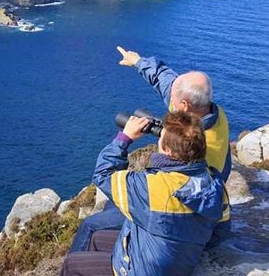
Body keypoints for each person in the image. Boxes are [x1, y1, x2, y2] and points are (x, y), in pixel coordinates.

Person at [69, 47, 231, 252]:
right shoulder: (208, 112)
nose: (169, 100)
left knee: (90, 225)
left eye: (173, 100)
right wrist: (137, 61)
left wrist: (125, 138)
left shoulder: (201, 147)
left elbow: (104, 176)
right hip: (194, 192)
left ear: (184, 105)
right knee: (113, 203)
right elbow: (165, 79)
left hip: (178, 208)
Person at [60, 112, 227, 276]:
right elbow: (220, 232)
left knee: (71, 264)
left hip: (143, 270)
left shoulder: (154, 187)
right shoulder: (215, 184)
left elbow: (103, 174)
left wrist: (125, 137)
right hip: (178, 262)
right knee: (96, 239)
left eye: (161, 138)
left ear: (167, 150)